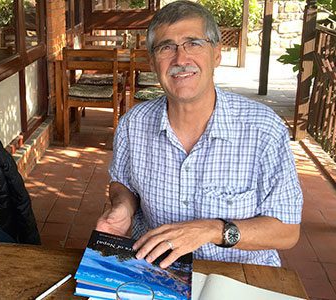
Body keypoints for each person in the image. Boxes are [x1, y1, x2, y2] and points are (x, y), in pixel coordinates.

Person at [96, 1, 303, 268]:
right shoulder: (132, 125)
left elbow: (287, 230)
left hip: (238, 276)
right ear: (152, 62)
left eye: (194, 43)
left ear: (216, 54)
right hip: (156, 272)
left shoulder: (264, 129)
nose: (181, 60)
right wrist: (122, 207)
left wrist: (211, 230)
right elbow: (123, 183)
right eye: (166, 47)